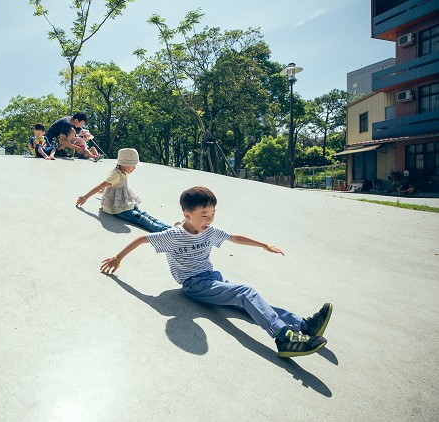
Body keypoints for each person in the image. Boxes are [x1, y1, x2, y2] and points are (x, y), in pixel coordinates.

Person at [100, 186, 332, 358]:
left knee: (251, 302)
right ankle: (283, 337)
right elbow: (141, 239)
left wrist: (264, 245)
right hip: (194, 285)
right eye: (204, 216)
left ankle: (303, 325)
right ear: (187, 214)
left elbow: (235, 237)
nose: (209, 220)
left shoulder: (210, 231)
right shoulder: (173, 235)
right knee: (246, 292)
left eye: (212, 215)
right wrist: (118, 258)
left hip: (214, 279)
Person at [76, 148, 171, 233]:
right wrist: (85, 197)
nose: (134, 168)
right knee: (141, 218)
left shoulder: (122, 172)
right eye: (133, 165)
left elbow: (111, 185)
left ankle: (170, 228)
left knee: (145, 214)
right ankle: (167, 231)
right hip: (117, 208)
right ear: (125, 164)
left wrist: (106, 190)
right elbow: (101, 185)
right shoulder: (116, 174)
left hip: (124, 204)